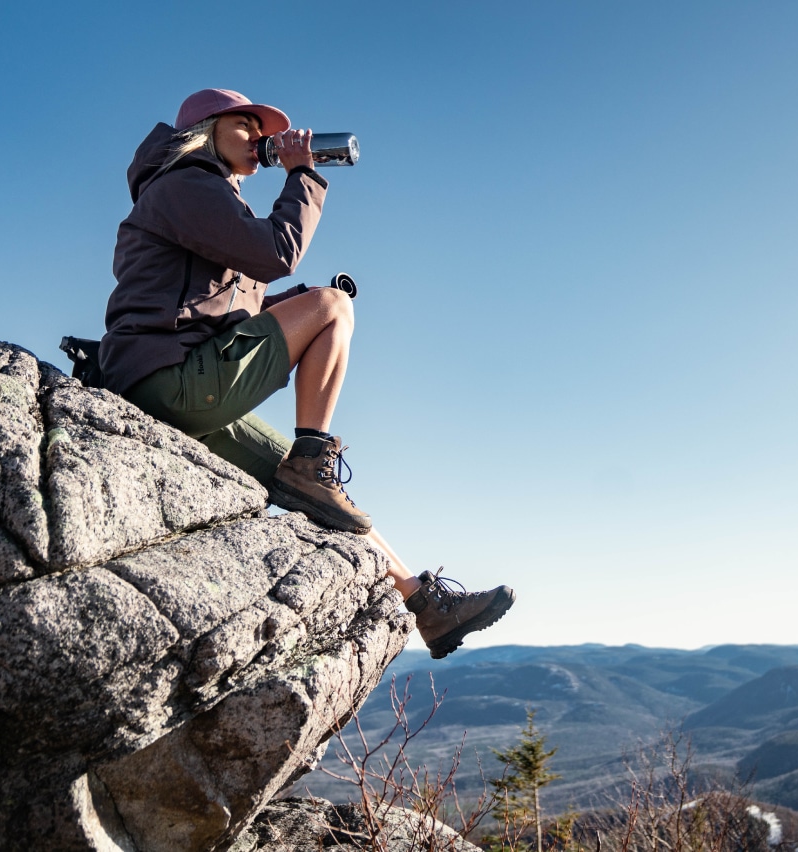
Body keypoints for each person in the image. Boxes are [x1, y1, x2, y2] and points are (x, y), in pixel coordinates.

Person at [99, 88, 514, 658]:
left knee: (323, 500)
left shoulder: (207, 199)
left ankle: (423, 605)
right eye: (245, 126)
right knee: (334, 315)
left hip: (173, 387)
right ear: (205, 129)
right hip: (169, 379)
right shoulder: (185, 183)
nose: (259, 138)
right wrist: (302, 175)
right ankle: (312, 453)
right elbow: (276, 252)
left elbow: (226, 310)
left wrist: (301, 302)